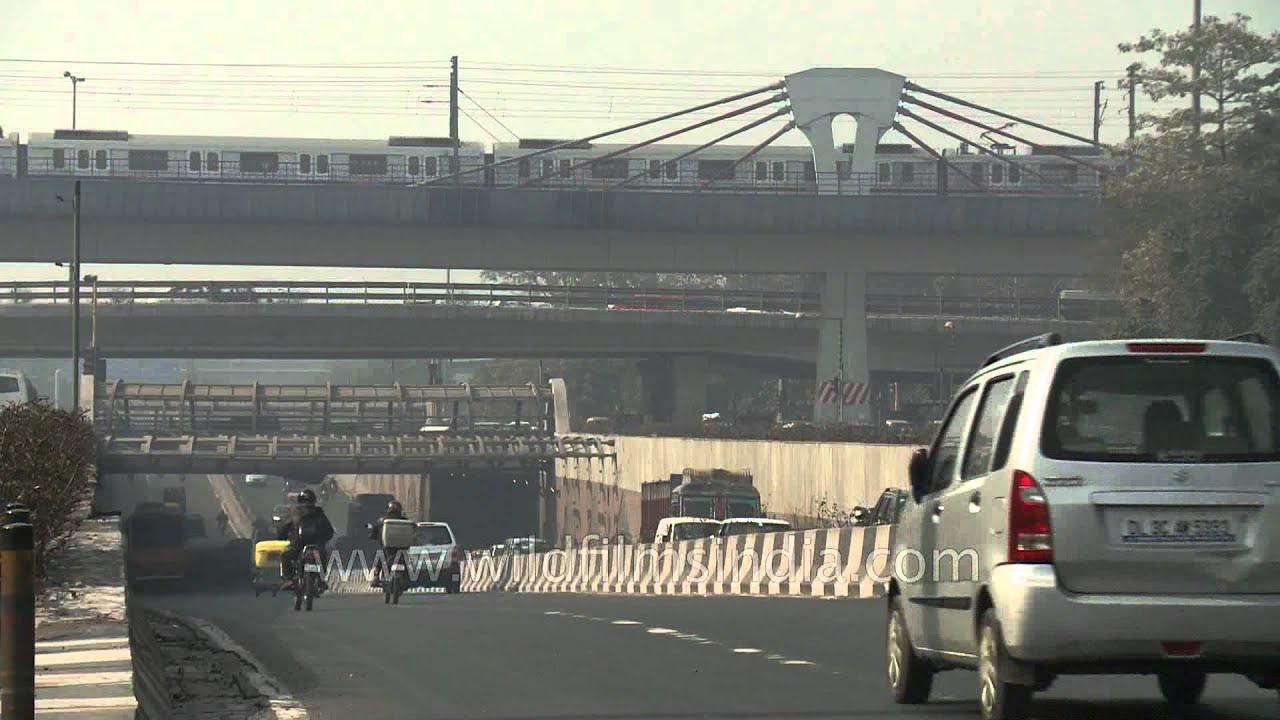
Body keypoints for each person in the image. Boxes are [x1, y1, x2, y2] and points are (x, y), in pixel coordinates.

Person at [277, 489, 335, 592]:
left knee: (284, 556)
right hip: (317, 545)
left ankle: (289, 579)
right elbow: (329, 530)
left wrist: (281, 536)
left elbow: (284, 528)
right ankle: (321, 580)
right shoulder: (319, 513)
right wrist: (324, 539)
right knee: (323, 558)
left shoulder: (295, 512)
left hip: (297, 546)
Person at [369, 500, 407, 588]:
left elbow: (373, 533)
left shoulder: (382, 520)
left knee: (380, 556)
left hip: (387, 548)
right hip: (402, 548)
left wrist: (373, 536)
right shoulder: (404, 520)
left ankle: (376, 575)